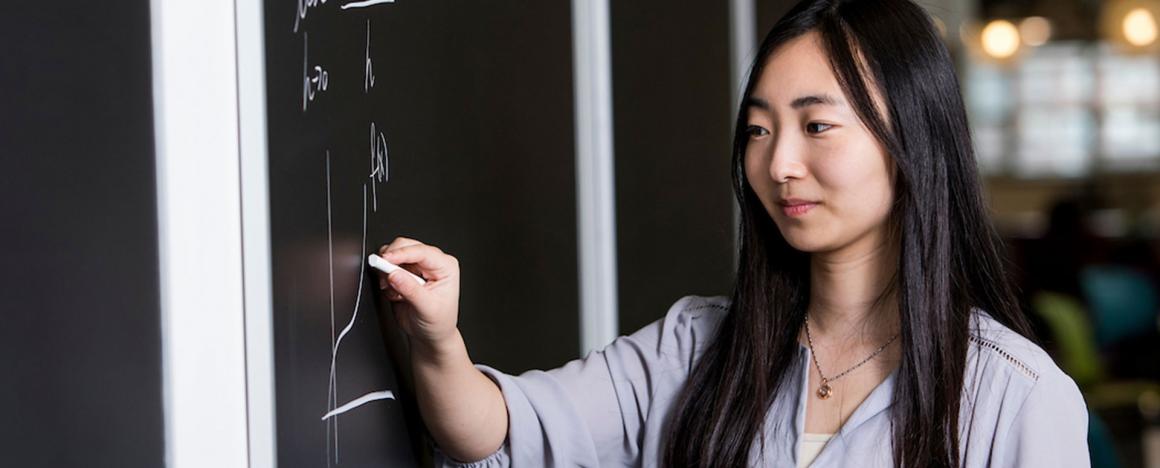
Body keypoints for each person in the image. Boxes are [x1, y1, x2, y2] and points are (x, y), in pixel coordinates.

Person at [374, 0, 1090, 465]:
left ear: (913, 141)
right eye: (757, 129)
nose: (778, 163)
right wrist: (438, 340)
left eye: (816, 126)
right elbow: (498, 433)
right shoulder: (695, 348)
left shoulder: (1017, 398)